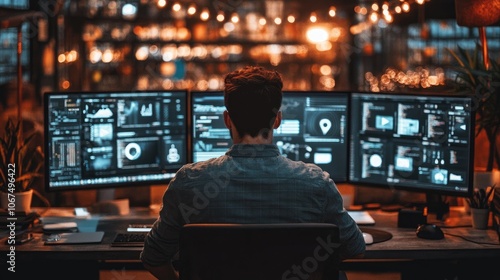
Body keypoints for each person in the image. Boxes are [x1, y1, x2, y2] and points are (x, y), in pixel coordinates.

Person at [140, 66, 366, 279]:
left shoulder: (188, 182)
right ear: (277, 120)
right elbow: (355, 248)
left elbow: (153, 257)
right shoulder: (317, 184)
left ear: (227, 120)